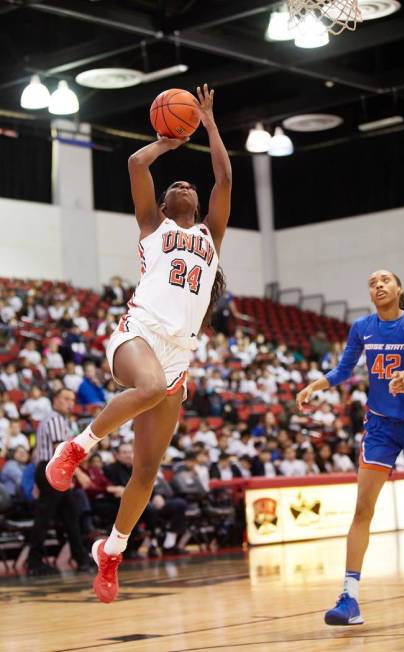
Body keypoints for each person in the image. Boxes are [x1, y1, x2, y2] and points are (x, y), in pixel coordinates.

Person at [45, 83, 232, 603]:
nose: (182, 184)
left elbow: (223, 177)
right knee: (148, 385)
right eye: (176, 183)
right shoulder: (152, 226)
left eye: (188, 185)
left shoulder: (210, 239)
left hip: (180, 354)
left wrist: (209, 123)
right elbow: (134, 164)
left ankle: (112, 551)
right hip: (139, 333)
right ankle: (75, 447)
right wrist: (167, 142)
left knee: (146, 470)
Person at [296, 269, 404, 626]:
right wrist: (316, 385)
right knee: (362, 509)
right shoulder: (362, 327)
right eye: (372, 282)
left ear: (399, 288)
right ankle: (349, 599)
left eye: (384, 280)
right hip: (379, 426)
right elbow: (344, 369)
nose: (377, 285)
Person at [27, 388, 89, 575]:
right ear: (55, 400)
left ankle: (81, 559)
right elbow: (59, 451)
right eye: (65, 398)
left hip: (53, 470)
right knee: (44, 519)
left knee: (70, 516)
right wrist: (79, 474)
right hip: (51, 469)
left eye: (72, 399)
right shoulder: (54, 419)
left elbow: (39, 452)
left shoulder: (60, 420)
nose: (70, 402)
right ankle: (34, 563)